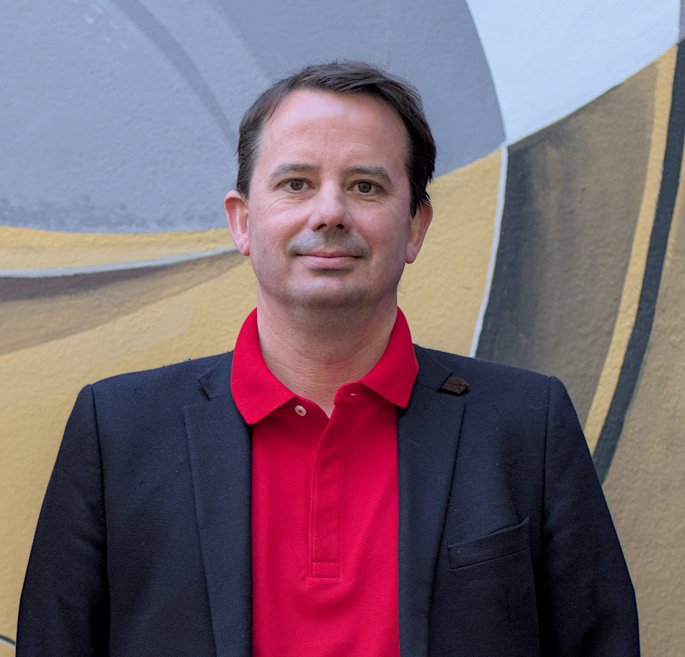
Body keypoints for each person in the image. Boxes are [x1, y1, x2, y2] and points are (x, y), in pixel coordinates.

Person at [18, 61, 639, 656]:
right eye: (296, 183)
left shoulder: (527, 425)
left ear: (416, 226)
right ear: (242, 222)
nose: (330, 213)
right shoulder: (117, 431)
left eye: (366, 186)